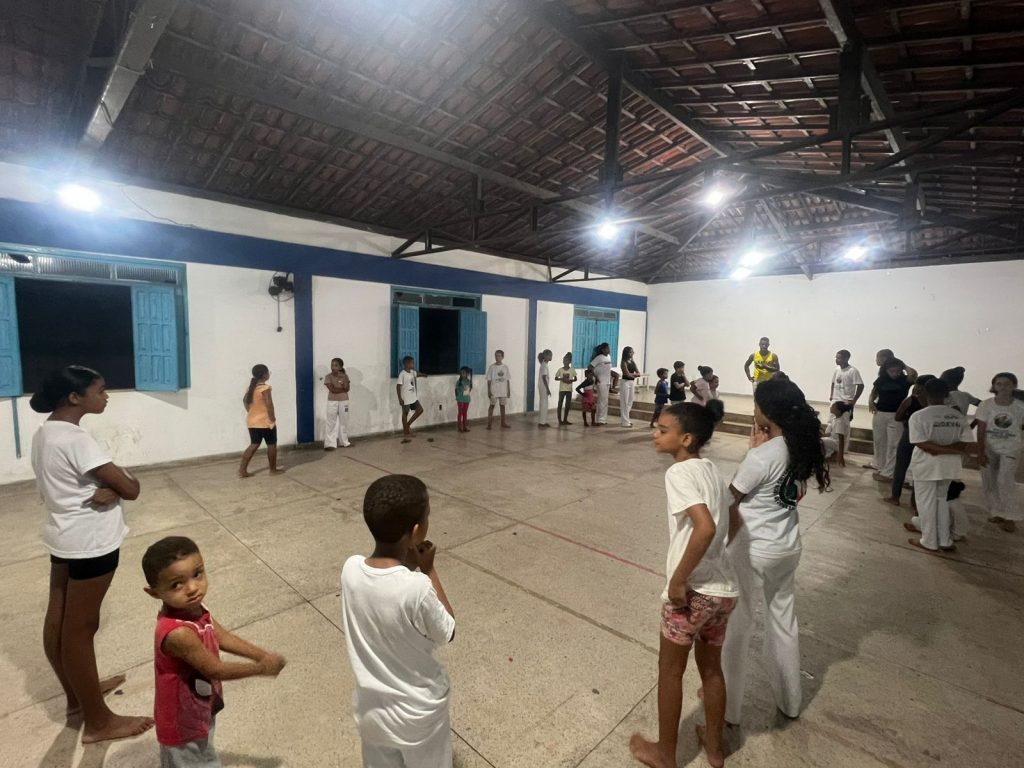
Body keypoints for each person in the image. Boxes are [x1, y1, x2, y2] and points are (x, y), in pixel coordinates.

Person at [29, 365, 153, 744]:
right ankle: (99, 723)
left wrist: (112, 487)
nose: (106, 396)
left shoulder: (45, 433)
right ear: (75, 397)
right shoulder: (76, 439)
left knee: (60, 618)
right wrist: (119, 486)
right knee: (81, 629)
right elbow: (131, 488)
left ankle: (77, 697)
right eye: (100, 390)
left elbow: (90, 483)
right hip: (90, 542)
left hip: (64, 536)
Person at [629, 399, 737, 768]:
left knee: (671, 671)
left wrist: (679, 580)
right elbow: (733, 520)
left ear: (686, 439)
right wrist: (716, 557)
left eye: (663, 430)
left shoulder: (678, 473)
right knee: (712, 669)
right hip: (723, 591)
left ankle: (665, 754)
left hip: (693, 593)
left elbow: (705, 527)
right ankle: (715, 748)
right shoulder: (712, 470)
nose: (655, 435)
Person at [722, 379, 830, 726]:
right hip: (787, 547)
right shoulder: (805, 447)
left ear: (767, 411)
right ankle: (790, 700)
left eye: (756, 406)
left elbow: (730, 499)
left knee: (738, 626)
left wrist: (751, 452)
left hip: (753, 550)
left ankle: (727, 707)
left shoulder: (762, 455)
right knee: (784, 622)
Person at [341, 475, 456, 768]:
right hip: (418, 718)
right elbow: (447, 630)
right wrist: (429, 570)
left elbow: (384, 584)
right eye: (427, 516)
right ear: (416, 531)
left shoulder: (350, 570)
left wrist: (407, 564)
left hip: (373, 713)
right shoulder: (417, 588)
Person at [142, 537, 286, 766]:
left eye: (197, 574)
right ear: (154, 593)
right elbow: (215, 669)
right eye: (176, 585)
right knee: (195, 759)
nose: (192, 588)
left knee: (195, 754)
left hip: (197, 705)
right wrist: (260, 668)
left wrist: (260, 655)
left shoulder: (195, 609)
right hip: (182, 718)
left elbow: (222, 636)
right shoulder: (179, 633)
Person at [905, 378, 974, 553]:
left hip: (926, 465)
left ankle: (929, 540)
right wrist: (950, 449)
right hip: (949, 465)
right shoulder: (958, 416)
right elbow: (964, 444)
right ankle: (945, 540)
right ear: (947, 395)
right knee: (942, 500)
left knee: (926, 503)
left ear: (925, 393)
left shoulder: (919, 416)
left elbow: (923, 444)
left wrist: (938, 449)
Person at [975, 372, 1024, 533]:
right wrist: (980, 452)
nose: (1003, 388)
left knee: (1005, 480)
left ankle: (1010, 517)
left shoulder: (1020, 406)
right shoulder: (986, 405)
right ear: (994, 386)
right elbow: (981, 429)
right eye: (999, 384)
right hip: (990, 447)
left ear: (1014, 386)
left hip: (1011, 448)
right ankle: (997, 512)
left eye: (1007, 384)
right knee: (989, 480)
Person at [883, 375, 935, 507]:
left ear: (920, 386)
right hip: (927, 437)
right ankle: (915, 501)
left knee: (901, 466)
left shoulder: (911, 400)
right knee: (920, 468)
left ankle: (895, 496)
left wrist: (907, 420)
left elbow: (897, 416)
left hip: (910, 434)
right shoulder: (935, 404)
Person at [867, 358, 914, 481]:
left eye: (897, 371)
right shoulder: (882, 379)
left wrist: (903, 365)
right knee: (879, 442)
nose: (895, 374)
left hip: (896, 415)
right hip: (880, 413)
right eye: (892, 371)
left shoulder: (904, 380)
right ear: (886, 370)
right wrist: (871, 401)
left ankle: (888, 473)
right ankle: (881, 467)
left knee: (894, 444)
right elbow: (874, 391)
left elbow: (913, 375)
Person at [240, 364, 284, 477]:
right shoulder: (265, 388)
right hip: (265, 422)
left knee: (254, 444)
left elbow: (244, 401)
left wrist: (251, 412)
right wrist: (272, 418)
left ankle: (242, 470)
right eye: (268, 372)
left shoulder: (251, 388)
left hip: (252, 421)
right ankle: (273, 470)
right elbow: (269, 404)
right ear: (264, 375)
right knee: (271, 445)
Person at [828, 350, 864, 463]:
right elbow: (833, 383)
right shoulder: (836, 370)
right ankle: (833, 452)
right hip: (835, 401)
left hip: (845, 403)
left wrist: (853, 400)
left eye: (839, 358)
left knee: (842, 428)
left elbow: (860, 385)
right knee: (832, 426)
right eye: (836, 357)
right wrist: (831, 395)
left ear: (846, 358)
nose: (836, 359)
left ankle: (841, 453)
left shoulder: (853, 371)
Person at [323, 357, 352, 449]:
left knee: (344, 421)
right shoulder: (328, 377)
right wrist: (342, 389)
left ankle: (344, 442)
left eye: (335, 365)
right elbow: (332, 390)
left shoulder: (345, 376)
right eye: (332, 365)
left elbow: (347, 389)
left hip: (344, 401)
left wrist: (342, 383)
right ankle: (330, 444)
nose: (333, 367)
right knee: (331, 421)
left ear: (340, 367)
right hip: (332, 401)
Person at [396, 356, 426, 438]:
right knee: (405, 414)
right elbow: (398, 386)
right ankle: (406, 432)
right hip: (406, 398)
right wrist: (400, 398)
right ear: (406, 364)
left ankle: (408, 425)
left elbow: (418, 374)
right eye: (412, 363)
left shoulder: (413, 372)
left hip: (413, 397)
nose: (413, 364)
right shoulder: (402, 374)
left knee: (420, 410)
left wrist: (424, 375)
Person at [486, 350, 511, 429]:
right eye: (496, 356)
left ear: (502, 357)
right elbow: (489, 380)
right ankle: (489, 424)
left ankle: (503, 423)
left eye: (499, 356)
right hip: (494, 390)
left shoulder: (505, 367)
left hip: (503, 390)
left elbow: (507, 380)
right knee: (492, 405)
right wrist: (489, 391)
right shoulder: (492, 367)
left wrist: (508, 391)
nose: (497, 357)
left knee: (502, 406)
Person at [590, 343, 613, 426]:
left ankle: (604, 419)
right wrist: (596, 377)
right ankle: (599, 419)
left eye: (609, 348)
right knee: (601, 401)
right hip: (601, 381)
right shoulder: (599, 358)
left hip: (607, 381)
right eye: (607, 348)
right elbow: (590, 367)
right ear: (603, 350)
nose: (609, 350)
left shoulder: (609, 357)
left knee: (605, 401)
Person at [825, 401, 853, 467]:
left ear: (839, 411)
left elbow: (841, 439)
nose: (831, 407)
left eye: (833, 406)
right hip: (833, 441)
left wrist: (841, 455)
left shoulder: (840, 422)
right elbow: (829, 433)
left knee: (820, 441)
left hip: (836, 443)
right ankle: (833, 455)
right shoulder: (835, 419)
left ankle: (836, 455)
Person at [619, 346, 642, 427]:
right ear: (626, 353)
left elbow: (638, 373)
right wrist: (632, 374)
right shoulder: (623, 362)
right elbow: (626, 374)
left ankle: (626, 418)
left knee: (630, 401)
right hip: (625, 382)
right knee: (624, 402)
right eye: (631, 352)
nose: (632, 353)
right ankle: (625, 422)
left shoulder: (632, 361)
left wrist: (631, 374)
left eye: (632, 352)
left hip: (631, 382)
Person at [554, 353, 577, 426]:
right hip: (562, 389)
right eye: (564, 360)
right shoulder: (560, 370)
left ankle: (565, 419)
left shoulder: (572, 370)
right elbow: (556, 378)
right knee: (560, 404)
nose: (564, 362)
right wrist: (561, 379)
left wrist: (571, 381)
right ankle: (559, 420)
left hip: (569, 390)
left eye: (566, 361)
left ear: (569, 362)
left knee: (567, 405)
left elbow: (575, 378)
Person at [455, 366, 473, 433]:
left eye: (464, 373)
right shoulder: (459, 382)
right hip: (460, 400)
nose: (462, 374)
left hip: (466, 399)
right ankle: (459, 427)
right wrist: (458, 398)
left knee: (465, 413)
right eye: (461, 373)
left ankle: (465, 427)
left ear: (467, 374)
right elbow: (456, 390)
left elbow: (469, 389)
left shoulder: (469, 381)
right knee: (460, 413)